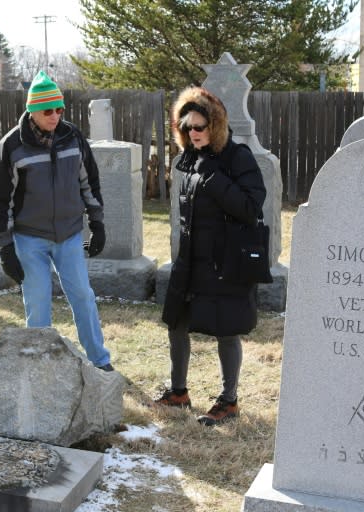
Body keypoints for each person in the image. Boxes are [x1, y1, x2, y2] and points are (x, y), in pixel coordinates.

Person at [0, 70, 114, 372]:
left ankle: (99, 360)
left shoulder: (73, 138)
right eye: (48, 110)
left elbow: (89, 183)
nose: (55, 116)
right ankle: (40, 367)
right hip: (29, 239)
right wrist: (5, 248)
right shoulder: (12, 146)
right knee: (38, 305)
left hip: (69, 235)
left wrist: (97, 224)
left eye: (59, 109)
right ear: (32, 110)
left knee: (83, 296)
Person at [156, 86, 266, 425]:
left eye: (200, 126)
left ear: (215, 127)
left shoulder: (238, 158)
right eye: (187, 127)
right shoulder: (187, 159)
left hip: (225, 263)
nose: (194, 133)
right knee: (176, 323)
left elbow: (251, 207)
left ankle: (228, 401)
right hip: (191, 260)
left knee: (227, 330)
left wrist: (214, 178)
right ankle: (179, 392)